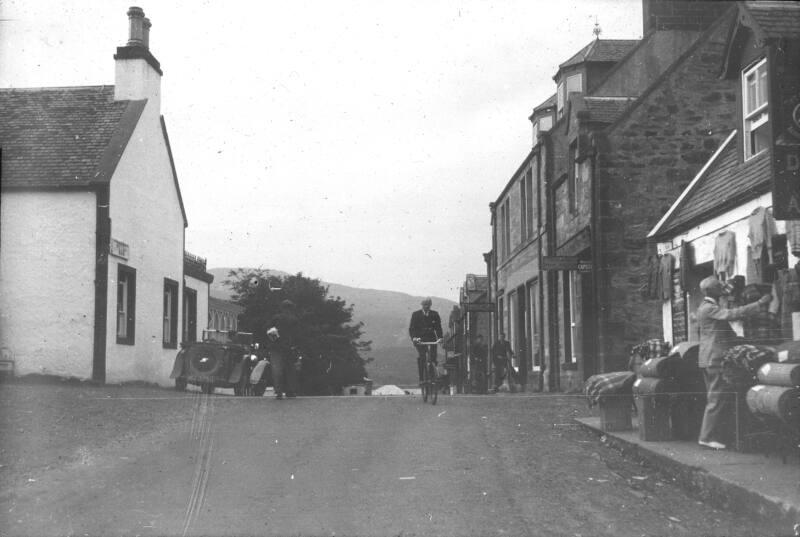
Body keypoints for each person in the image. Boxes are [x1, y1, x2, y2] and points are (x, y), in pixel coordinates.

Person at [696, 276, 771, 449]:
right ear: (710, 291)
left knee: (715, 398)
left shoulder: (705, 307)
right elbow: (732, 314)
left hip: (708, 358)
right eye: (718, 287)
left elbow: (720, 330)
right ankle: (706, 437)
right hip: (714, 358)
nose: (721, 289)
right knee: (716, 399)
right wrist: (759, 304)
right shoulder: (709, 308)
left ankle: (709, 436)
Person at [267, 299, 301, 400]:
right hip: (289, 348)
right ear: (291, 308)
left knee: (277, 371)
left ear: (282, 308)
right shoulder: (294, 320)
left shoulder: (276, 318)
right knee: (290, 370)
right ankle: (290, 391)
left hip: (276, 348)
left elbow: (269, 330)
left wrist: (276, 340)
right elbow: (298, 335)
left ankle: (279, 392)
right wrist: (295, 346)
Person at [408, 298, 444, 384]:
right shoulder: (416, 315)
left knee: (433, 357)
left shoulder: (434, 314)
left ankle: (432, 376)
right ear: (422, 305)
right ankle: (421, 378)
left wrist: (440, 338)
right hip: (420, 339)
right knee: (422, 356)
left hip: (431, 339)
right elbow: (412, 328)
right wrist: (414, 338)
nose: (426, 307)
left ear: (430, 305)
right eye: (424, 305)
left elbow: (438, 328)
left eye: (428, 305)